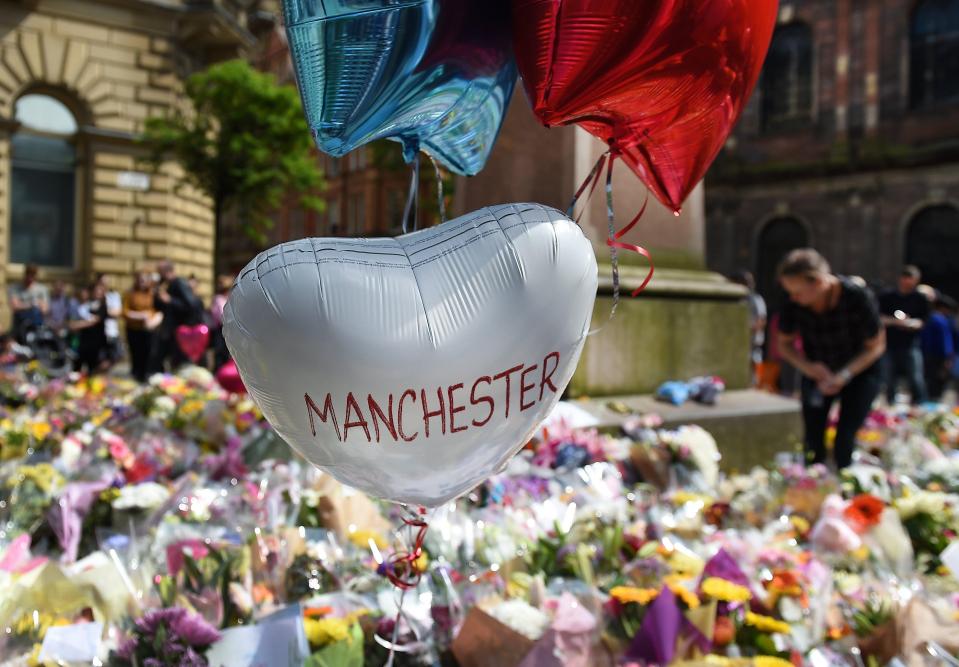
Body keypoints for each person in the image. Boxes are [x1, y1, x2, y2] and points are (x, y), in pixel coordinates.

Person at [775, 249, 886, 469]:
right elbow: (784, 343)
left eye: (798, 292)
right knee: (813, 439)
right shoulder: (793, 303)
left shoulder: (856, 296)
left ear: (817, 282)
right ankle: (813, 487)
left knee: (845, 437)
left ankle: (846, 488)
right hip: (817, 370)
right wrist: (809, 368)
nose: (793, 298)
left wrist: (845, 375)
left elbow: (876, 345)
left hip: (859, 371)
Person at [879, 265, 929, 404]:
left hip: (910, 344)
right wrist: (895, 322)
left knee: (915, 377)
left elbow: (923, 321)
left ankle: (920, 403)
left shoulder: (919, 298)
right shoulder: (887, 296)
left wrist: (910, 323)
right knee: (888, 377)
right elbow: (878, 318)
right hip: (889, 344)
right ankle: (890, 403)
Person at [154, 260, 204, 371]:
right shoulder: (167, 284)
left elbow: (190, 305)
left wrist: (170, 300)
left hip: (181, 330)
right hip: (171, 329)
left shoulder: (179, 283)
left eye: (159, 272)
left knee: (178, 360)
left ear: (166, 271)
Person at [123, 272, 162, 382]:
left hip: (148, 330)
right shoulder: (130, 294)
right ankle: (136, 375)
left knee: (148, 353)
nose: (142, 282)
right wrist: (140, 316)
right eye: (140, 280)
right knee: (136, 354)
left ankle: (146, 376)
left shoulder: (151, 294)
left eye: (145, 280)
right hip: (134, 329)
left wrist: (151, 318)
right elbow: (125, 312)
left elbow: (157, 309)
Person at [730, 270, 767, 384]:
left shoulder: (756, 299)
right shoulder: (737, 298)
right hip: (736, 341)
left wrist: (745, 330)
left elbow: (761, 320)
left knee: (753, 366)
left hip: (751, 341)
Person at [920, 289, 956, 402]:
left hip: (926, 356)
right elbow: (945, 342)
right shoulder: (940, 320)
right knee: (937, 386)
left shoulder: (928, 318)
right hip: (938, 358)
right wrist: (948, 359)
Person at [69, 282, 109, 375]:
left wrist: (77, 325)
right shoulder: (86, 304)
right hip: (84, 339)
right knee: (78, 363)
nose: (97, 293)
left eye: (100, 291)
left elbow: (95, 320)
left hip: (96, 340)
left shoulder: (102, 306)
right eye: (96, 291)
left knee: (93, 366)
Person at [8, 264, 49, 342]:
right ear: (25, 274)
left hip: (36, 329)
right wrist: (34, 304)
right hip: (19, 328)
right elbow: (15, 307)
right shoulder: (15, 288)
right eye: (29, 274)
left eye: (33, 275)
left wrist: (23, 305)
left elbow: (44, 310)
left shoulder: (42, 289)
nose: (30, 277)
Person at [95, 273, 123, 368]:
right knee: (100, 357)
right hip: (97, 332)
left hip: (111, 331)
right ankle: (100, 377)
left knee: (117, 355)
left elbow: (117, 312)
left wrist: (104, 311)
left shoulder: (113, 295)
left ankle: (104, 376)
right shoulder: (95, 296)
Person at [209, 274, 232, 371]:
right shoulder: (219, 299)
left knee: (226, 354)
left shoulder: (225, 298)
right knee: (220, 353)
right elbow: (221, 316)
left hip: (227, 329)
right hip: (221, 329)